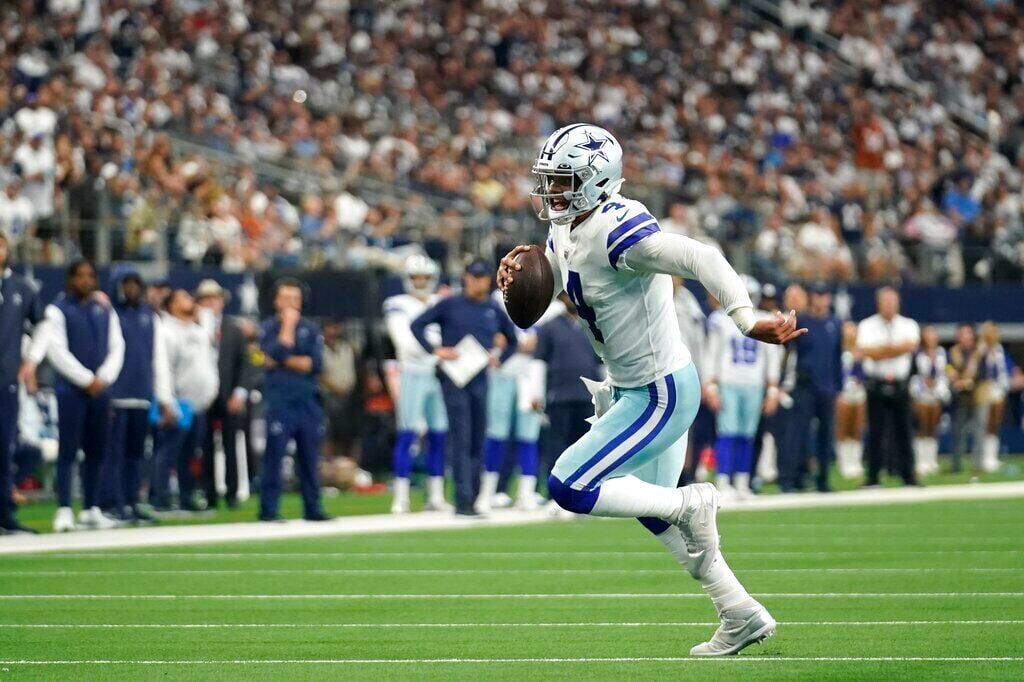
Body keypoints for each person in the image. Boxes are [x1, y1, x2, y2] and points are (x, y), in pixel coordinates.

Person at [498, 124, 804, 656]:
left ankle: (692, 503)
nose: (552, 193)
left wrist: (745, 318)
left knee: (569, 485)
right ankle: (739, 612)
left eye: (564, 181)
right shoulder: (567, 226)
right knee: (655, 514)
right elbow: (579, 284)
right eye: (549, 180)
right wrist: (526, 278)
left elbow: (701, 257)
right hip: (631, 389)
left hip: (659, 391)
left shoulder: (620, 231)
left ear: (599, 183)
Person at [410, 259, 519, 517]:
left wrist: (498, 359)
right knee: (461, 437)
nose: (478, 281)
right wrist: (436, 351)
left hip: (479, 377)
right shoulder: (450, 304)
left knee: (477, 437)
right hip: (455, 379)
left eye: (482, 277)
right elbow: (416, 325)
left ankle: (474, 496)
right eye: (474, 277)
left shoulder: (492, 308)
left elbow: (512, 340)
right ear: (466, 278)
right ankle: (463, 498)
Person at [32, 260, 125, 531]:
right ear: (70, 279)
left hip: (100, 388)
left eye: (90, 275)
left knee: (97, 449)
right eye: (80, 276)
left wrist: (104, 378)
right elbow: (57, 351)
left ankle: (90, 507)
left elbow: (117, 346)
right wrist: (86, 379)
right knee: (69, 449)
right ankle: (63, 508)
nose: (86, 281)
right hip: (71, 389)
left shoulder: (104, 309)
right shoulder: (58, 310)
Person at [100, 266, 175, 522]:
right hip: (115, 395)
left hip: (141, 396)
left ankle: (131, 501)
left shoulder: (149, 317)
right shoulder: (108, 314)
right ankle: (110, 502)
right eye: (125, 283)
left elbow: (159, 359)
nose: (131, 288)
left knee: (135, 454)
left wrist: (164, 398)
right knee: (113, 453)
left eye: (135, 283)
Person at [258, 279, 330, 522]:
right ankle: (268, 510)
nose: (291, 304)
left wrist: (282, 360)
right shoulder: (268, 327)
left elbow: (315, 364)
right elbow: (269, 355)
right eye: (286, 298)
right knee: (274, 456)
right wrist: (287, 330)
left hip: (307, 401)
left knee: (310, 457)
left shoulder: (311, 329)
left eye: (295, 299)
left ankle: (313, 507)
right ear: (276, 301)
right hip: (280, 401)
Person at [383, 255, 450, 513]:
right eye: (415, 278)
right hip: (412, 372)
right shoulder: (397, 303)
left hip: (439, 373)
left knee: (439, 435)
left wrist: (437, 351)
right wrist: (438, 350)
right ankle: (401, 496)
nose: (420, 282)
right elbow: (404, 342)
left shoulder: (440, 302)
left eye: (424, 277)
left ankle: (435, 495)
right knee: (407, 433)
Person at [703, 284, 781, 499]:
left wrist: (773, 389)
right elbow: (712, 353)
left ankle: (742, 481)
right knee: (727, 433)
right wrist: (710, 385)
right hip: (729, 382)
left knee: (747, 435)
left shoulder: (763, 318)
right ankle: (723, 480)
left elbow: (772, 357)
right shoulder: (720, 318)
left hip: (753, 383)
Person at [154, 289, 219, 512]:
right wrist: (166, 400)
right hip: (178, 403)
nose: (190, 300)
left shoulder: (198, 331)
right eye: (183, 298)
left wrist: (211, 393)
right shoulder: (165, 332)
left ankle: (186, 496)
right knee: (168, 452)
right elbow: (163, 368)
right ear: (171, 306)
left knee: (190, 455)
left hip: (199, 404)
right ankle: (159, 498)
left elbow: (208, 364)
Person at [195, 279, 256, 509]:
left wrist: (239, 393)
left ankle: (232, 493)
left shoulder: (234, 329)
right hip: (203, 396)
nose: (211, 304)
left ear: (222, 302)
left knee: (231, 445)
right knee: (205, 446)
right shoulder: (195, 327)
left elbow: (245, 365)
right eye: (205, 299)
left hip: (228, 394)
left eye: (214, 299)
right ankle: (208, 493)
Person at [534, 293, 602, 492]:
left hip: (587, 398)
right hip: (559, 396)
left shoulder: (593, 326)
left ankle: (582, 491)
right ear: (563, 299)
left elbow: (602, 363)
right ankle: (554, 495)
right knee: (556, 447)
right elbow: (539, 362)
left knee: (586, 448)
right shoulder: (550, 327)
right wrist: (536, 394)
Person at [0, 231, 43, 534]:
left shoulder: (20, 288)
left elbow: (42, 325)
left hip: (6, 381)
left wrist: (31, 361)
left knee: (5, 447)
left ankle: (5, 513)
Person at [856, 287, 920, 487]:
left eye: (893, 301)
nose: (890, 305)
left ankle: (908, 475)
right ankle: (873, 476)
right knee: (875, 431)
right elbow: (864, 351)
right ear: (878, 303)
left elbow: (911, 346)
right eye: (886, 301)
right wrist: (896, 349)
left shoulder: (909, 324)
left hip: (901, 384)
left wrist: (880, 350)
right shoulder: (867, 325)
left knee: (904, 431)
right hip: (876, 382)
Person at [483, 312, 546, 512]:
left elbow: (540, 341)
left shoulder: (545, 301)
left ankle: (526, 493)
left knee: (528, 436)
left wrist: (515, 342)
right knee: (496, 434)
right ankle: (487, 492)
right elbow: (492, 336)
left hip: (530, 377)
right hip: (501, 373)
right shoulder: (495, 302)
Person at [782, 282, 842, 493]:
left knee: (826, 437)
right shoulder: (803, 322)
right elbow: (788, 350)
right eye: (817, 295)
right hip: (805, 385)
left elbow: (837, 359)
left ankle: (823, 480)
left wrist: (838, 387)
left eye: (824, 295)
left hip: (827, 388)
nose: (821, 299)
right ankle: (791, 479)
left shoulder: (834, 323)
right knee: (798, 435)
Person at [910, 325, 950, 477]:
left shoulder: (941, 353)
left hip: (936, 394)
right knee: (922, 427)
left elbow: (945, 371)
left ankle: (931, 460)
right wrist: (921, 386)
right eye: (928, 335)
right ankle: (920, 461)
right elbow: (914, 373)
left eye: (933, 335)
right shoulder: (917, 353)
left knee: (933, 428)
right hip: (921, 395)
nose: (931, 338)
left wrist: (939, 387)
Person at [974, 322, 1010, 473]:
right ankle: (981, 458)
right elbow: (975, 368)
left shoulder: (1000, 350)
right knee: (984, 424)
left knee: (995, 423)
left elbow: (1005, 369)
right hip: (983, 388)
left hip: (997, 388)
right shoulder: (980, 350)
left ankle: (992, 457)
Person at [835, 321, 867, 479]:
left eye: (853, 331)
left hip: (859, 392)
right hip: (843, 393)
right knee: (843, 428)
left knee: (857, 428)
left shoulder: (860, 351)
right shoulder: (837, 351)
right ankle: (844, 462)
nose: (850, 334)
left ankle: (856, 461)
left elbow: (864, 373)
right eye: (847, 331)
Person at [947, 323, 979, 473]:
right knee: (958, 432)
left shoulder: (977, 353)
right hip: (959, 398)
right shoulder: (953, 352)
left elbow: (981, 373)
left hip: (977, 396)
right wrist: (952, 375)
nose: (965, 337)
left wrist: (966, 382)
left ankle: (979, 464)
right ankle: (956, 465)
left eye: (967, 333)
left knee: (978, 431)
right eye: (962, 333)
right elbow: (947, 367)